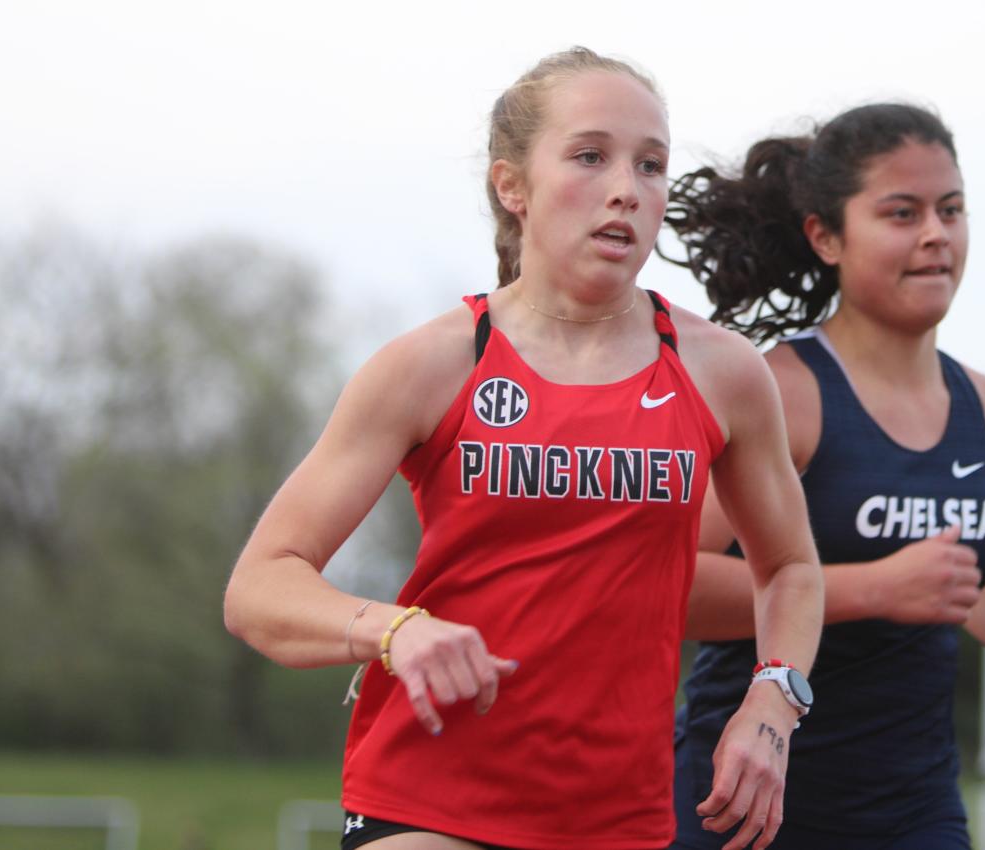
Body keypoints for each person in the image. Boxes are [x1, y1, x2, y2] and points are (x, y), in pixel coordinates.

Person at [223, 47, 823, 850]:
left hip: (618, 818)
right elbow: (261, 588)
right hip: (426, 799)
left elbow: (788, 568)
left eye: (651, 166)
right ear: (513, 187)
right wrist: (395, 630)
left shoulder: (723, 373)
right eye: (589, 156)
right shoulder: (434, 362)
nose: (625, 188)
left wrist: (772, 702)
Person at [661, 104, 985, 849]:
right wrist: (875, 590)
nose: (936, 234)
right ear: (825, 236)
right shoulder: (779, 393)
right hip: (740, 804)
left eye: (950, 210)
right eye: (903, 213)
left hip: (914, 811)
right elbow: (666, 585)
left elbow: (979, 570)